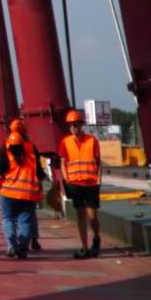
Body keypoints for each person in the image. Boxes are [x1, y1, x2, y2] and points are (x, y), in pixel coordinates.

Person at [0, 119, 47, 259]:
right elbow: (40, 173)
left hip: (8, 192)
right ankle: (23, 246)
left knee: (8, 219)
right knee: (25, 221)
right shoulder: (32, 150)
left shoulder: (6, 149)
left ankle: (12, 245)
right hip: (27, 193)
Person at [59, 109, 104, 258]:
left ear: (81, 125)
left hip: (91, 184)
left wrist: (99, 180)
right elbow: (63, 163)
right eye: (71, 125)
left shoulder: (92, 141)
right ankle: (84, 247)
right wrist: (66, 180)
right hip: (75, 184)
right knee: (80, 216)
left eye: (76, 124)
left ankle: (96, 237)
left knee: (93, 217)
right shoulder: (65, 142)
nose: (74, 127)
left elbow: (98, 162)